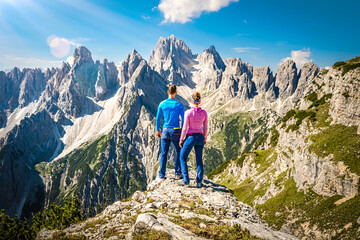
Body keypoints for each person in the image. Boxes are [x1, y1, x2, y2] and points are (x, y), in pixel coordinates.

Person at [179, 92, 208, 188]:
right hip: (200, 136)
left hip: (190, 137)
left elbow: (184, 127)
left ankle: (186, 181)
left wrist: (181, 139)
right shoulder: (204, 113)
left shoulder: (188, 113)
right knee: (199, 160)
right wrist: (204, 138)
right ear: (199, 101)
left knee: (183, 157)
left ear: (192, 100)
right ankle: (199, 182)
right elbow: (206, 127)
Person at [156, 85, 185, 180]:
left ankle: (162, 175)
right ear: (176, 93)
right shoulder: (179, 105)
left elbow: (158, 118)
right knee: (179, 150)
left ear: (167, 92)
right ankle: (177, 173)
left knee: (164, 153)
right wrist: (182, 132)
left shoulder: (162, 104)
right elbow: (184, 120)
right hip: (176, 130)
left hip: (165, 130)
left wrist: (158, 130)